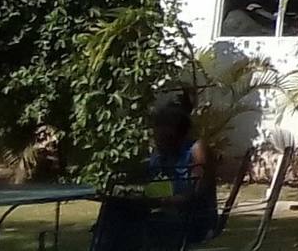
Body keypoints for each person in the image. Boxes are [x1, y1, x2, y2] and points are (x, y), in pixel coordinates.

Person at [91, 100, 214, 251]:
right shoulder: (160, 154)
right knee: (114, 211)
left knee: (126, 225)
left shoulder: (196, 150)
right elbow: (153, 187)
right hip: (164, 213)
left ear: (177, 133)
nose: (157, 140)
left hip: (195, 218)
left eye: (163, 135)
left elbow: (198, 193)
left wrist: (165, 201)